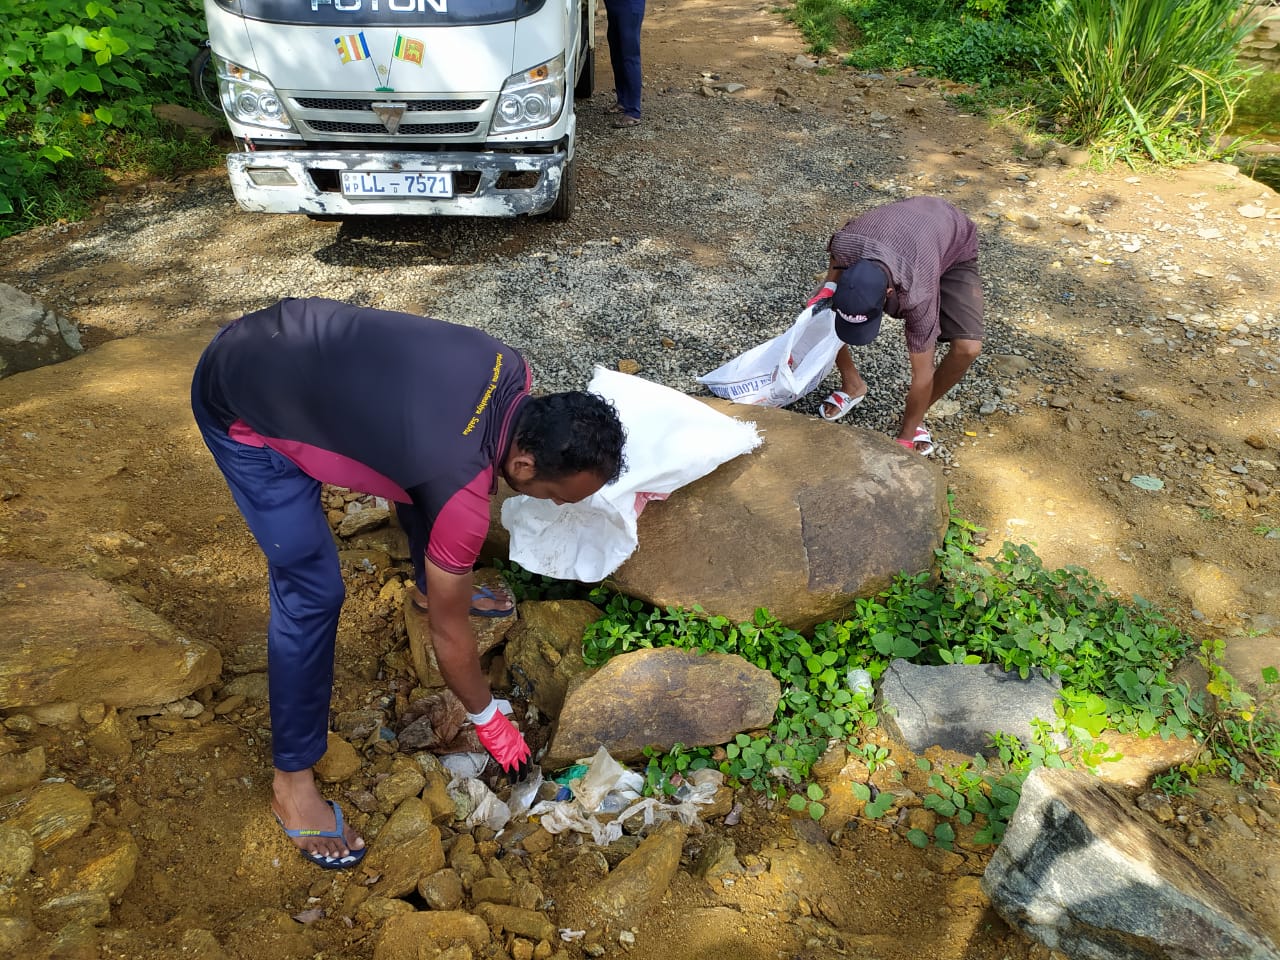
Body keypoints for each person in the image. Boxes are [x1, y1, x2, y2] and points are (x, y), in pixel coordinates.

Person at [190, 298, 626, 869]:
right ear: (523, 467)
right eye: (553, 495)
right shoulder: (460, 489)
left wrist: (445, 580)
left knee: (442, 493)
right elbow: (449, 636)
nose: (550, 505)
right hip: (240, 401)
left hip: (281, 339)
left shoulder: (511, 367)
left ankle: (433, 580)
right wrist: (488, 720)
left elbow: (431, 463)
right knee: (312, 590)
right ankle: (290, 784)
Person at [806, 196, 983, 456]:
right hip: (907, 236)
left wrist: (903, 442)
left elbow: (922, 373)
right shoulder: (845, 244)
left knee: (968, 348)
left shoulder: (917, 293)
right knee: (816, 312)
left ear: (889, 292)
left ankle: (915, 419)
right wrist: (826, 291)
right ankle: (852, 385)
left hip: (952, 243)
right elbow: (835, 265)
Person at [604, 0, 645, 128]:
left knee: (629, 56)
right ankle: (623, 101)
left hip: (629, 7)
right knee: (617, 55)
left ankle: (633, 111)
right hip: (615, 8)